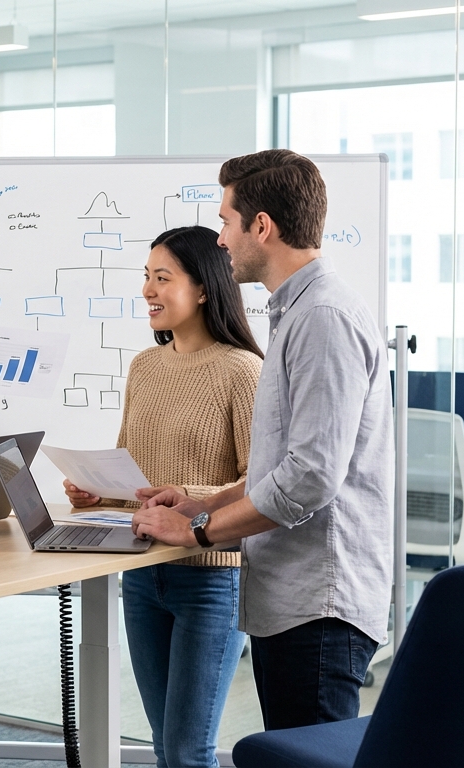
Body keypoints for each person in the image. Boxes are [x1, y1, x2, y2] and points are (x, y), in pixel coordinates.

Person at [132, 149, 393, 732]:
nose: (221, 239)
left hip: (318, 605)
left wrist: (197, 530)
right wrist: (206, 502)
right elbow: (285, 465)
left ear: (262, 226)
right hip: (291, 600)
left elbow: (312, 478)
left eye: (226, 220)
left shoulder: (323, 317)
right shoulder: (297, 314)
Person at [62, 226, 261, 768]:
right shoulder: (145, 367)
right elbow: (135, 474)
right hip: (143, 574)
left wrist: (188, 497)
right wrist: (95, 493)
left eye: (162, 278)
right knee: (163, 745)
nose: (148, 290)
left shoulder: (243, 371)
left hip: (212, 578)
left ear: (203, 288)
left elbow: (260, 480)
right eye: (146, 278)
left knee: (188, 750)